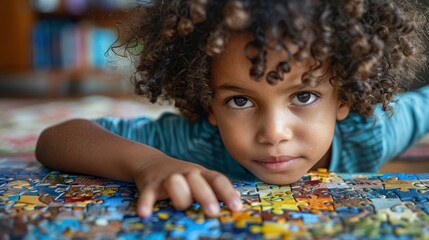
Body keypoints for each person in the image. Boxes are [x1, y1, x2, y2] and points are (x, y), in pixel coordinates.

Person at [36, 0, 429, 218]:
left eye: (303, 96)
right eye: (239, 100)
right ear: (209, 103)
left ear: (343, 97)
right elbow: (57, 138)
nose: (273, 133)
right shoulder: (195, 144)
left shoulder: (375, 131)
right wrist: (148, 164)